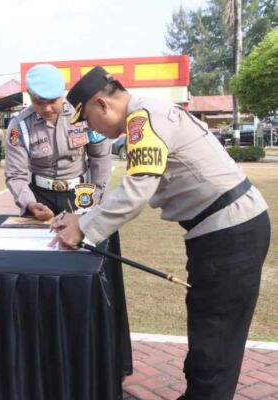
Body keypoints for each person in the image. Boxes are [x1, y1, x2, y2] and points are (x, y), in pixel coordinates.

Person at [53, 66, 270, 400]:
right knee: (210, 341)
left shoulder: (143, 120)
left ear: (101, 105)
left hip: (229, 233)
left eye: (88, 121)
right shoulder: (148, 113)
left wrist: (83, 229)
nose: (90, 129)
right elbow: (134, 185)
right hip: (228, 228)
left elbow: (137, 192)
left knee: (214, 349)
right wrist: (84, 220)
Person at [5, 64, 111, 219]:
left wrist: (97, 197)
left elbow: (100, 158)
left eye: (53, 101)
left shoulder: (84, 114)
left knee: (83, 241)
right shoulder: (19, 126)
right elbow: (15, 174)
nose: (47, 108)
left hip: (81, 195)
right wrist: (30, 204)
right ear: (29, 94)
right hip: (39, 198)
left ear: (62, 93)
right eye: (39, 102)